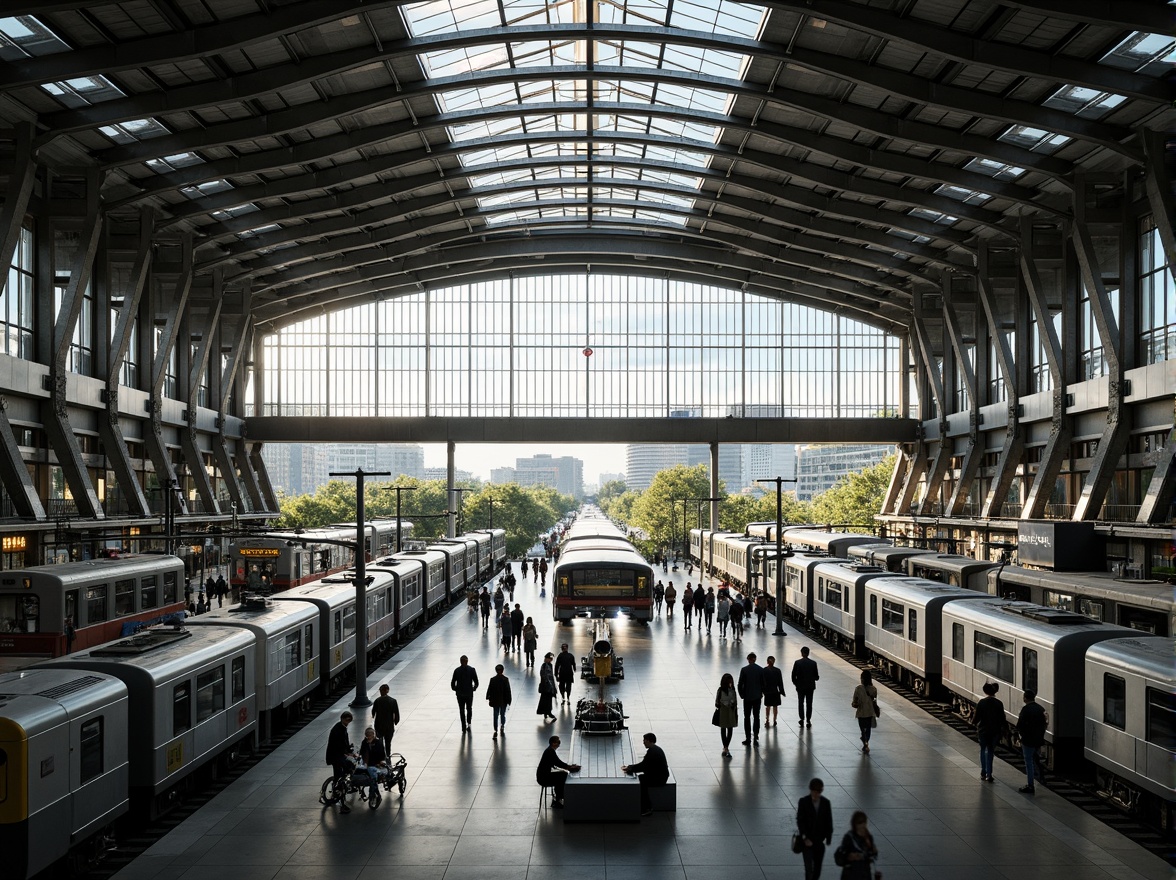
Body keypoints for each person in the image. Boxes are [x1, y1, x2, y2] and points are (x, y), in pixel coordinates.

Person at [622, 732, 669, 817]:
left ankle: (647, 807)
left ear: (649, 741)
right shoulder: (655, 749)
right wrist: (631, 767)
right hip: (661, 776)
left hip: (659, 778)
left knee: (642, 782)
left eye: (645, 740)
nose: (643, 742)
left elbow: (643, 766)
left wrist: (630, 768)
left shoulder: (652, 752)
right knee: (642, 779)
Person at [797, 777, 834, 880]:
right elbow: (800, 821)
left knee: (817, 869)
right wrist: (804, 837)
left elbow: (829, 821)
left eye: (817, 792)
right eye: (813, 791)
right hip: (807, 842)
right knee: (809, 869)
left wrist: (828, 838)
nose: (815, 795)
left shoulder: (826, 803)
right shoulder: (804, 802)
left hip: (819, 842)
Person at [1016, 688, 1048, 793]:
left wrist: (1021, 737)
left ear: (1025, 698)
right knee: (1037, 759)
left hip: (1028, 740)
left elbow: (1019, 725)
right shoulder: (1041, 709)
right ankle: (1042, 778)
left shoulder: (1025, 710)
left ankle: (1030, 785)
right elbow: (1045, 723)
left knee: (1028, 762)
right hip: (1038, 739)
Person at [536, 735, 581, 809]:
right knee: (562, 777)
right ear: (553, 743)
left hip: (543, 776)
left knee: (561, 775)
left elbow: (557, 763)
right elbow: (558, 763)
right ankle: (558, 799)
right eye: (557, 742)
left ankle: (558, 798)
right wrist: (569, 767)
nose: (559, 744)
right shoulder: (550, 751)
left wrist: (568, 766)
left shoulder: (549, 750)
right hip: (544, 778)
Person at [324, 710, 356, 813]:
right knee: (342, 778)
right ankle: (341, 803)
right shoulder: (339, 729)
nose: (348, 723)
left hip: (336, 756)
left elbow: (343, 743)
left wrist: (347, 749)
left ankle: (337, 790)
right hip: (336, 757)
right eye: (347, 720)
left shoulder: (340, 727)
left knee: (339, 775)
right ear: (342, 719)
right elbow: (339, 744)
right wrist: (347, 752)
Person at [975, 681, 1005, 782]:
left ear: (985, 692)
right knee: (991, 751)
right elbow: (1002, 719)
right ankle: (989, 774)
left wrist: (973, 723)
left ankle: (983, 772)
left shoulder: (982, 702)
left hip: (983, 731)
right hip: (994, 732)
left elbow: (976, 718)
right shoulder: (999, 703)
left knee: (983, 750)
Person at [835, 811, 879, 880]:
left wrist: (873, 852)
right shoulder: (849, 838)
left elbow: (873, 856)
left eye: (864, 822)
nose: (863, 825)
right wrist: (849, 856)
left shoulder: (868, 837)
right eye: (860, 823)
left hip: (865, 873)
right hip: (851, 874)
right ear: (855, 825)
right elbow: (841, 855)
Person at [738, 652, 765, 747]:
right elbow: (763, 684)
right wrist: (761, 693)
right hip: (757, 697)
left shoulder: (744, 670)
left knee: (747, 717)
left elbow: (740, 684)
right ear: (755, 659)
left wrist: (742, 695)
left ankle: (748, 737)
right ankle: (756, 736)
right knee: (756, 717)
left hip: (747, 697)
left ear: (748, 659)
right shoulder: (761, 670)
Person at [358, 727, 389, 804]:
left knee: (373, 777)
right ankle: (374, 794)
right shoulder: (364, 742)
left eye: (370, 735)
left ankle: (374, 794)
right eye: (367, 735)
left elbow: (382, 754)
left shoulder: (378, 742)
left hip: (375, 763)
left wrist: (381, 762)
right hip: (367, 763)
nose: (368, 737)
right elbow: (362, 752)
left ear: (373, 735)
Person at [792, 646, 819, 727]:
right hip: (810, 687)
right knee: (809, 703)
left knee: (801, 703)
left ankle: (802, 718)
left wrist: (796, 684)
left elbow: (793, 675)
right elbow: (816, 677)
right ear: (808, 653)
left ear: (802, 653)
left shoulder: (797, 663)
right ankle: (808, 719)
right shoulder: (813, 663)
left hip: (800, 687)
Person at [851, 670, 878, 753]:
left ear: (862, 679)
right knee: (868, 729)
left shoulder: (858, 688)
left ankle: (865, 742)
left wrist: (855, 704)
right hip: (870, 712)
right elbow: (874, 699)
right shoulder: (874, 689)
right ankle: (866, 742)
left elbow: (854, 701)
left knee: (862, 729)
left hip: (861, 713)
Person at [451, 655, 479, 732]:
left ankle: (464, 725)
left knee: (462, 710)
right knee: (468, 709)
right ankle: (468, 723)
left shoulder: (457, 670)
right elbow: (476, 681)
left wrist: (455, 688)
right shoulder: (471, 670)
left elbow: (453, 682)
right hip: (468, 693)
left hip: (460, 694)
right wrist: (474, 688)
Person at [714, 672, 739, 757]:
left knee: (728, 728)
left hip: (729, 711)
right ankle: (725, 746)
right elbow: (717, 702)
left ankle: (726, 746)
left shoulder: (732, 690)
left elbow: (735, 701)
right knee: (725, 728)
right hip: (725, 711)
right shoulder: (721, 690)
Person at [371, 683, 400, 754]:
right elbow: (396, 713)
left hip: (379, 725)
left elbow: (373, 712)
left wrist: (374, 717)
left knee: (379, 742)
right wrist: (395, 721)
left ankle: (381, 756)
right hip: (389, 726)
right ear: (388, 691)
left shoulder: (377, 700)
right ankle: (388, 755)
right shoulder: (393, 701)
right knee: (388, 743)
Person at [486, 664, 512, 739]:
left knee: (495, 715)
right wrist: (509, 700)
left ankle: (495, 729)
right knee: (502, 714)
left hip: (495, 701)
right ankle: (502, 725)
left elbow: (489, 689)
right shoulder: (505, 679)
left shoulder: (493, 679)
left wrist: (488, 697)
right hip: (503, 701)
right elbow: (508, 691)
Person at [762, 655, 786, 727]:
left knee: (768, 706)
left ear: (767, 662)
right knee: (775, 706)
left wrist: (762, 691)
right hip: (775, 691)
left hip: (767, 692)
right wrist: (782, 691)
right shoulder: (778, 671)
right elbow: (780, 682)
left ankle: (767, 719)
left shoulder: (764, 670)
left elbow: (762, 682)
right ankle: (775, 720)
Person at [537, 652, 557, 722]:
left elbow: (551, 676)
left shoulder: (550, 665)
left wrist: (553, 687)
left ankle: (547, 712)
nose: (550, 660)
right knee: (546, 699)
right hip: (546, 686)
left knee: (548, 700)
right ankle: (547, 712)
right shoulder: (544, 666)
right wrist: (547, 684)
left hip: (550, 686)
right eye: (549, 659)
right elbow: (544, 676)